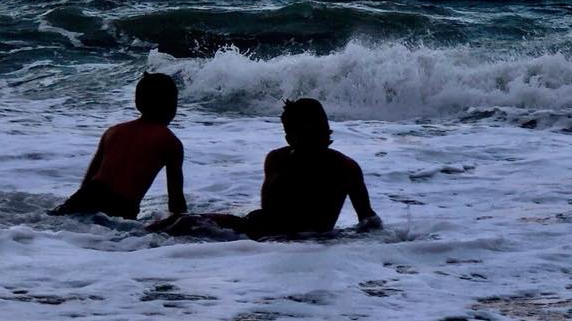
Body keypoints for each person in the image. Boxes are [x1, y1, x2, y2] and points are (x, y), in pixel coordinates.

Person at [151, 97, 381, 239]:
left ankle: (134, 238)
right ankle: (132, 239)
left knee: (183, 224)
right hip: (260, 232)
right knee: (179, 222)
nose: (315, 139)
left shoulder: (344, 167)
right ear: (290, 138)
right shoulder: (280, 159)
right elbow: (269, 209)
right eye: (308, 134)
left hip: (270, 236)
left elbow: (368, 221)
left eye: (318, 132)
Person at [50, 72, 187, 220]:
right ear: (172, 105)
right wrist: (184, 223)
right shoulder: (170, 141)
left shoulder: (113, 131)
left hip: (86, 196)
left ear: (137, 102)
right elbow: (175, 196)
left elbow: (89, 179)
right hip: (120, 206)